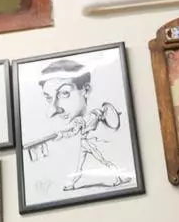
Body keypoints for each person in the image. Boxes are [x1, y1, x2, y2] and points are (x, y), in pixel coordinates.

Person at [26, 59, 129, 191]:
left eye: (64, 93)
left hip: (88, 143)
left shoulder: (90, 119)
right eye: (48, 97)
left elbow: (75, 130)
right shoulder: (91, 117)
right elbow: (76, 130)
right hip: (84, 143)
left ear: (86, 90)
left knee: (100, 160)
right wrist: (61, 134)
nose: (52, 111)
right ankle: (72, 183)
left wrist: (62, 134)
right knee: (80, 166)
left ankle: (119, 177)